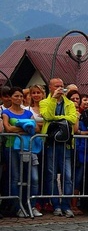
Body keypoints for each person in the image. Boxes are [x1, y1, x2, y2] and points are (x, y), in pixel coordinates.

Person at [40, 77, 78, 218]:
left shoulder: (70, 103)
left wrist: (57, 118)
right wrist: (53, 101)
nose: (60, 88)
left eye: (62, 86)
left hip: (66, 144)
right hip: (50, 143)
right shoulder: (45, 102)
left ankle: (66, 206)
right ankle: (56, 205)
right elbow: (47, 116)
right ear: (50, 87)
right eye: (56, 86)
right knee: (51, 176)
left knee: (67, 176)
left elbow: (73, 119)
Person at [2, 86, 42, 217]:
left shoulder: (27, 113)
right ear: (11, 98)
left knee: (33, 178)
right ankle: (17, 206)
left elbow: (36, 129)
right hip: (12, 146)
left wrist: (19, 127)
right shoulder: (6, 112)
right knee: (15, 177)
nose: (18, 99)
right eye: (15, 96)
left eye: (20, 96)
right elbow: (8, 129)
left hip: (29, 148)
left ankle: (31, 204)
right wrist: (25, 129)